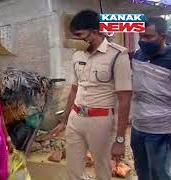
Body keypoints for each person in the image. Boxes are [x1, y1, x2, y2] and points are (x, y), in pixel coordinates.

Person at [50, 10, 132, 180]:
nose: (76, 40)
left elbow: (124, 100)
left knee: (102, 169)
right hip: (75, 118)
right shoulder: (78, 54)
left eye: (79, 35)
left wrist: (120, 139)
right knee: (73, 170)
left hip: (101, 122)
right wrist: (64, 120)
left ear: (95, 31)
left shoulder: (118, 55)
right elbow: (74, 89)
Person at [130, 17, 171, 180]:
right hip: (138, 127)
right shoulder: (139, 55)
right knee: (142, 172)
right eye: (140, 36)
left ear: (163, 36)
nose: (143, 41)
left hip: (161, 131)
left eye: (148, 37)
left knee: (159, 173)